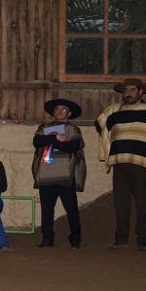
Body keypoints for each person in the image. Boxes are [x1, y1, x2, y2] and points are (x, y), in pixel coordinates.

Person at [96, 78, 146, 252]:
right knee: (121, 203)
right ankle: (120, 239)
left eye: (132, 89)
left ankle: (144, 240)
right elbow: (100, 124)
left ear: (140, 92)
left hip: (142, 164)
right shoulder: (113, 111)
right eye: (126, 90)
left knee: (144, 203)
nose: (128, 93)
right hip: (119, 164)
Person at [32, 99, 86, 250]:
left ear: (69, 114)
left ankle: (75, 241)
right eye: (57, 109)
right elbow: (37, 141)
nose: (59, 111)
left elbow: (72, 146)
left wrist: (49, 141)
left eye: (63, 110)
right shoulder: (44, 127)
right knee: (46, 210)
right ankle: (47, 239)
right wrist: (56, 138)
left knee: (72, 209)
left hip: (65, 176)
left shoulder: (73, 129)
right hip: (46, 175)